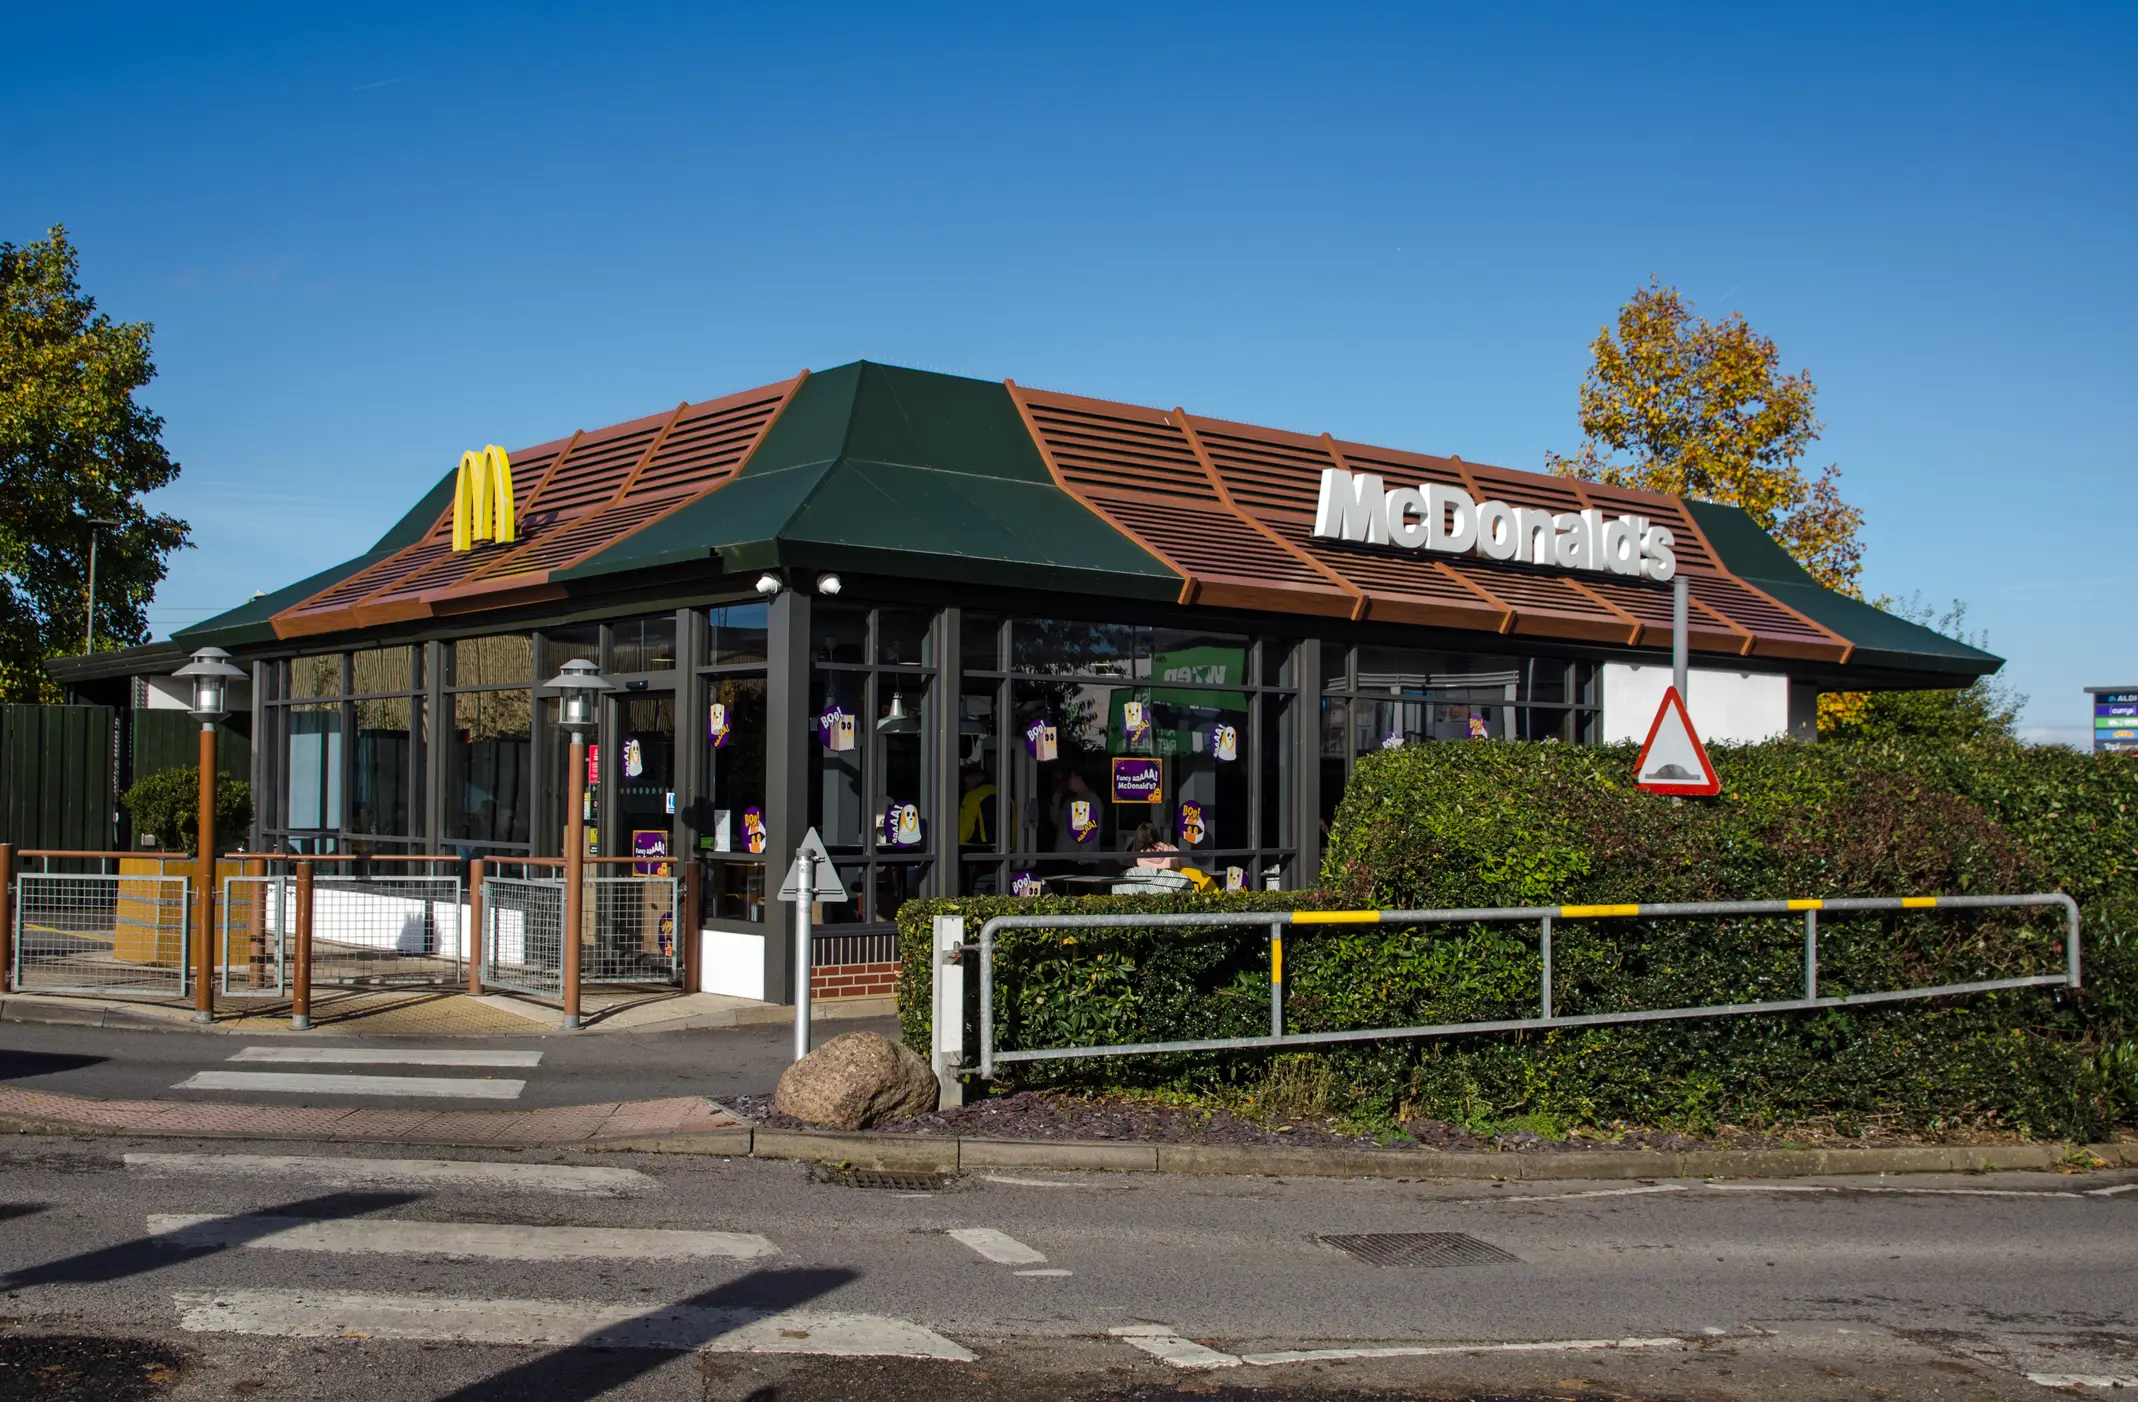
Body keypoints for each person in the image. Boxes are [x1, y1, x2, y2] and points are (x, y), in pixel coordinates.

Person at [958, 767, 998, 850]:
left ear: (972, 778)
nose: (965, 787)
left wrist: (956, 847)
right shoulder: (1004, 796)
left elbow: (965, 829)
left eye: (965, 782)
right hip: (1002, 852)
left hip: (978, 851)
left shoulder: (973, 797)